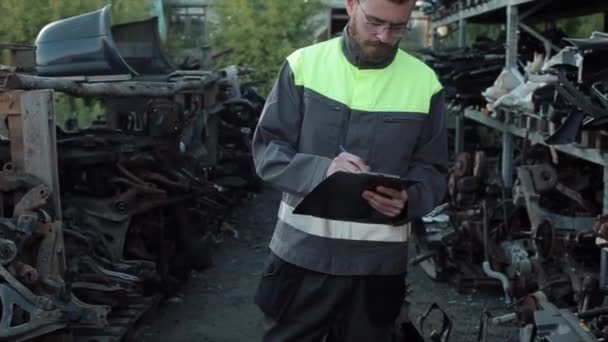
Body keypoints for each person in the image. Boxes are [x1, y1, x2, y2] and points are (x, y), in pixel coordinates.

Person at [251, 0, 447, 340]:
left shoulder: (424, 83)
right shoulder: (303, 66)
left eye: (398, 27)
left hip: (376, 271)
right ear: (352, 4)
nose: (384, 36)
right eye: (375, 22)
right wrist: (322, 170)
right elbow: (268, 151)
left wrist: (409, 201)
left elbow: (433, 169)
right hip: (302, 262)